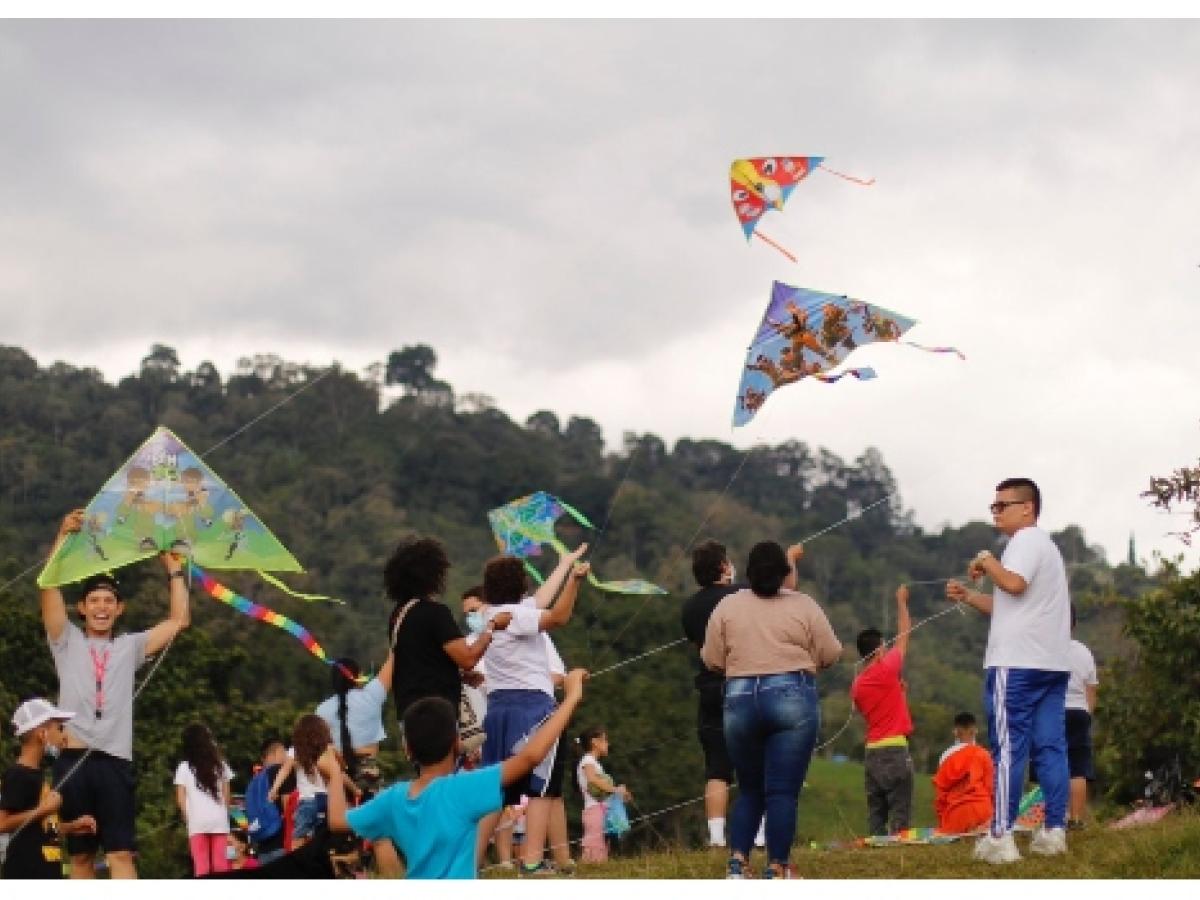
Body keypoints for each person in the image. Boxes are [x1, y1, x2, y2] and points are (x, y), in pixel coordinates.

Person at [320, 668, 590, 880]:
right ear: (457, 743)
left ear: (407, 749)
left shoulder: (394, 799)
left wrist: (333, 773)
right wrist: (572, 697)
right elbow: (531, 756)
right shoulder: (465, 789)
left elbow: (336, 821)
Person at [40, 509, 191, 879]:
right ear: (82, 608)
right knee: (80, 858)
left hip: (114, 760)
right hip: (72, 758)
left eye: (109, 602)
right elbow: (48, 586)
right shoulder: (66, 640)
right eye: (94, 601)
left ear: (119, 609)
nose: (101, 607)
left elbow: (179, 621)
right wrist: (63, 536)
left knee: (122, 854)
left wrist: (172, 569)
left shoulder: (131, 646)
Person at [946, 477, 1072, 863]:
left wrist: (986, 559)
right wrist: (969, 597)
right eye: (994, 506)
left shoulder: (1026, 541)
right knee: (1050, 747)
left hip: (1015, 665)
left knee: (1009, 749)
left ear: (1027, 508)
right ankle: (1054, 831)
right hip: (1050, 664)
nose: (996, 512)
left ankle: (1001, 836)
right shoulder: (1044, 548)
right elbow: (1009, 603)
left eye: (1003, 505)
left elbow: (1013, 585)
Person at [702, 541, 841, 880]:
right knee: (781, 791)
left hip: (739, 698)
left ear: (747, 573)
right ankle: (778, 866)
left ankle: (737, 862)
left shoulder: (727, 606)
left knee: (750, 789)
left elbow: (711, 659)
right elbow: (831, 652)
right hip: (791, 695)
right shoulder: (804, 605)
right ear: (785, 573)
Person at [475, 547, 588, 877]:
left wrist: (564, 565)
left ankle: (470, 862)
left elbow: (539, 600)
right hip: (533, 709)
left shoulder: (490, 616)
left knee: (494, 790)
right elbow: (558, 617)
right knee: (542, 787)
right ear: (519, 585)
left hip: (497, 711)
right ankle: (533, 861)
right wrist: (576, 582)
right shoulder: (518, 615)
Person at [384, 536, 509, 723]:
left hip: (408, 713)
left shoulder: (398, 616)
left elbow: (420, 661)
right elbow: (468, 658)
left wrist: (455, 674)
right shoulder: (435, 613)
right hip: (437, 714)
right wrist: (491, 627)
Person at [314, 653, 401, 876]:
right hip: (368, 771)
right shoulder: (371, 695)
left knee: (344, 842)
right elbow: (393, 660)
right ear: (357, 677)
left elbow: (323, 750)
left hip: (337, 775)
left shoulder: (322, 710)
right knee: (380, 836)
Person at [680, 539, 739, 848]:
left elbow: (697, 648)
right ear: (723, 567)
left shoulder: (690, 608)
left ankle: (716, 839)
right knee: (757, 762)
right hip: (743, 684)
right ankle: (757, 835)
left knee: (717, 768)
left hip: (709, 689)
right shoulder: (741, 596)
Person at [0, 698, 97, 879]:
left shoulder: (39, 774)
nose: (64, 736)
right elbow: (3, 823)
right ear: (42, 734)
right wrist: (43, 809)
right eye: (59, 729)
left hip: (48, 870)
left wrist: (72, 827)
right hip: (26, 873)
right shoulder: (19, 775)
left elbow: (40, 829)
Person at [850, 585, 915, 836]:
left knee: (876, 811)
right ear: (878, 650)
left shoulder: (857, 684)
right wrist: (901, 602)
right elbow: (905, 633)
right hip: (895, 750)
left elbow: (874, 709)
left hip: (872, 754)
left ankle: (874, 850)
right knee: (901, 811)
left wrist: (898, 693)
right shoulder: (886, 669)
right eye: (884, 647)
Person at [267, 715, 349, 849]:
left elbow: (284, 770)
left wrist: (274, 788)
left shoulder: (296, 751)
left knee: (298, 838)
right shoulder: (328, 750)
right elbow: (343, 769)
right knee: (325, 838)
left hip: (308, 800)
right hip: (328, 799)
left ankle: (298, 866)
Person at [174, 722, 235, 876]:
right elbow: (227, 795)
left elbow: (181, 797)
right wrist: (225, 812)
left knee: (201, 866)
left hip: (197, 820)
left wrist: (186, 816)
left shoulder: (184, 767)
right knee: (221, 866)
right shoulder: (220, 765)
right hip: (219, 819)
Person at [575, 725, 631, 863]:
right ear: (595, 742)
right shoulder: (587, 760)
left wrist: (621, 793)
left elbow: (602, 788)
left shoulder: (595, 763)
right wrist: (615, 790)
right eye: (605, 740)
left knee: (602, 850)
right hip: (594, 812)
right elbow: (592, 779)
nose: (608, 743)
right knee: (594, 850)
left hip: (601, 811)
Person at [1064, 605, 1098, 828]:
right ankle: (1076, 819)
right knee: (1078, 768)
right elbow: (1091, 690)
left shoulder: (1044, 648)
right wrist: (1087, 715)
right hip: (1079, 712)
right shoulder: (1084, 652)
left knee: (1050, 764)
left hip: (1051, 712)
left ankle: (1054, 818)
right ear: (1074, 624)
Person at [932, 712, 994, 834]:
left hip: (955, 815)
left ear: (955, 732)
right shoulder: (984, 755)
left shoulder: (945, 757)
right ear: (975, 731)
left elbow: (941, 795)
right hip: (982, 812)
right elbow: (990, 789)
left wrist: (943, 823)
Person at [244, 737, 290, 865]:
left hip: (262, 847)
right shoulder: (279, 772)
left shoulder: (252, 782)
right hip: (281, 843)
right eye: (284, 753)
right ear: (277, 753)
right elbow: (287, 805)